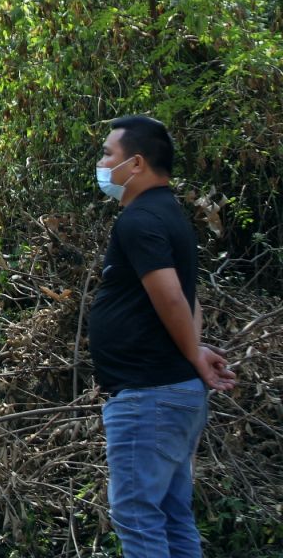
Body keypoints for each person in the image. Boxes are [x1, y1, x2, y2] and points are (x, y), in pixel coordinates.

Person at [89, 114, 237, 558]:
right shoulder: (170, 215)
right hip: (170, 393)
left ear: (135, 164)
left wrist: (193, 353)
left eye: (108, 155)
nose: (101, 164)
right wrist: (194, 351)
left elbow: (172, 297)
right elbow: (191, 299)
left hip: (148, 395)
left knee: (137, 515)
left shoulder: (139, 221)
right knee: (172, 515)